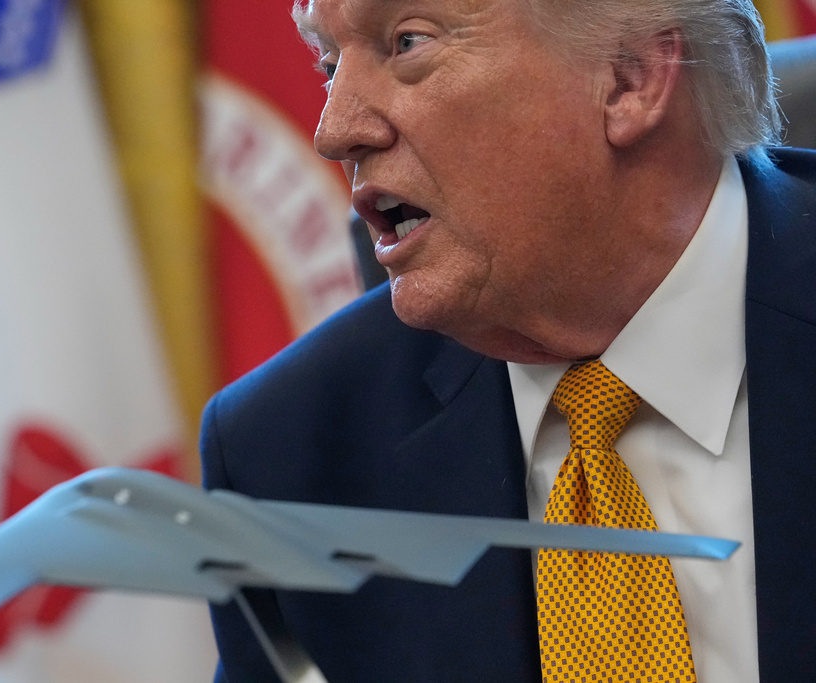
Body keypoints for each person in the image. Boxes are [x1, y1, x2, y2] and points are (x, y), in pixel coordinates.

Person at [200, 0, 816, 680]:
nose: (335, 130)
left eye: (407, 42)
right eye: (328, 63)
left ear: (630, 77)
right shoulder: (289, 458)